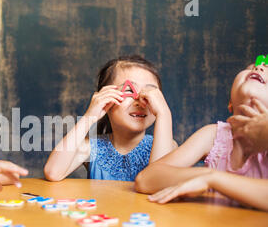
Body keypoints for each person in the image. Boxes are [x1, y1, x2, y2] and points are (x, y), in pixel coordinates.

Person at [135, 59, 268, 211]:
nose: (259, 67)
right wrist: (206, 175)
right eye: (251, 67)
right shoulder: (214, 136)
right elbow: (146, 180)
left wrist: (213, 179)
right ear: (230, 103)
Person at [44, 55, 176, 182]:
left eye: (151, 94)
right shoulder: (91, 147)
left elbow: (157, 183)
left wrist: (164, 114)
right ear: (106, 99)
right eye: (130, 91)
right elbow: (53, 172)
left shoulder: (167, 146)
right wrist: (89, 116)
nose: (140, 101)